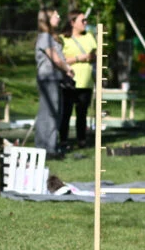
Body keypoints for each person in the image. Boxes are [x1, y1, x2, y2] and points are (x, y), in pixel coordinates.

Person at [34, 9, 72, 157]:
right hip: (48, 79)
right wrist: (67, 69)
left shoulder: (51, 37)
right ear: (47, 19)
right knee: (48, 113)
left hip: (55, 78)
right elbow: (55, 59)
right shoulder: (45, 37)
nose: (59, 17)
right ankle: (46, 149)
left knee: (56, 113)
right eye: (56, 15)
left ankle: (51, 146)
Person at [63, 10, 98, 147]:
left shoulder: (89, 36)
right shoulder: (63, 38)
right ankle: (64, 140)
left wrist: (92, 57)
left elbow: (96, 55)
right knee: (66, 112)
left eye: (85, 20)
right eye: (82, 20)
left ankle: (81, 140)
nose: (85, 23)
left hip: (86, 81)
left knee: (82, 113)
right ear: (73, 22)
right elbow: (60, 59)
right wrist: (79, 58)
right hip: (69, 82)